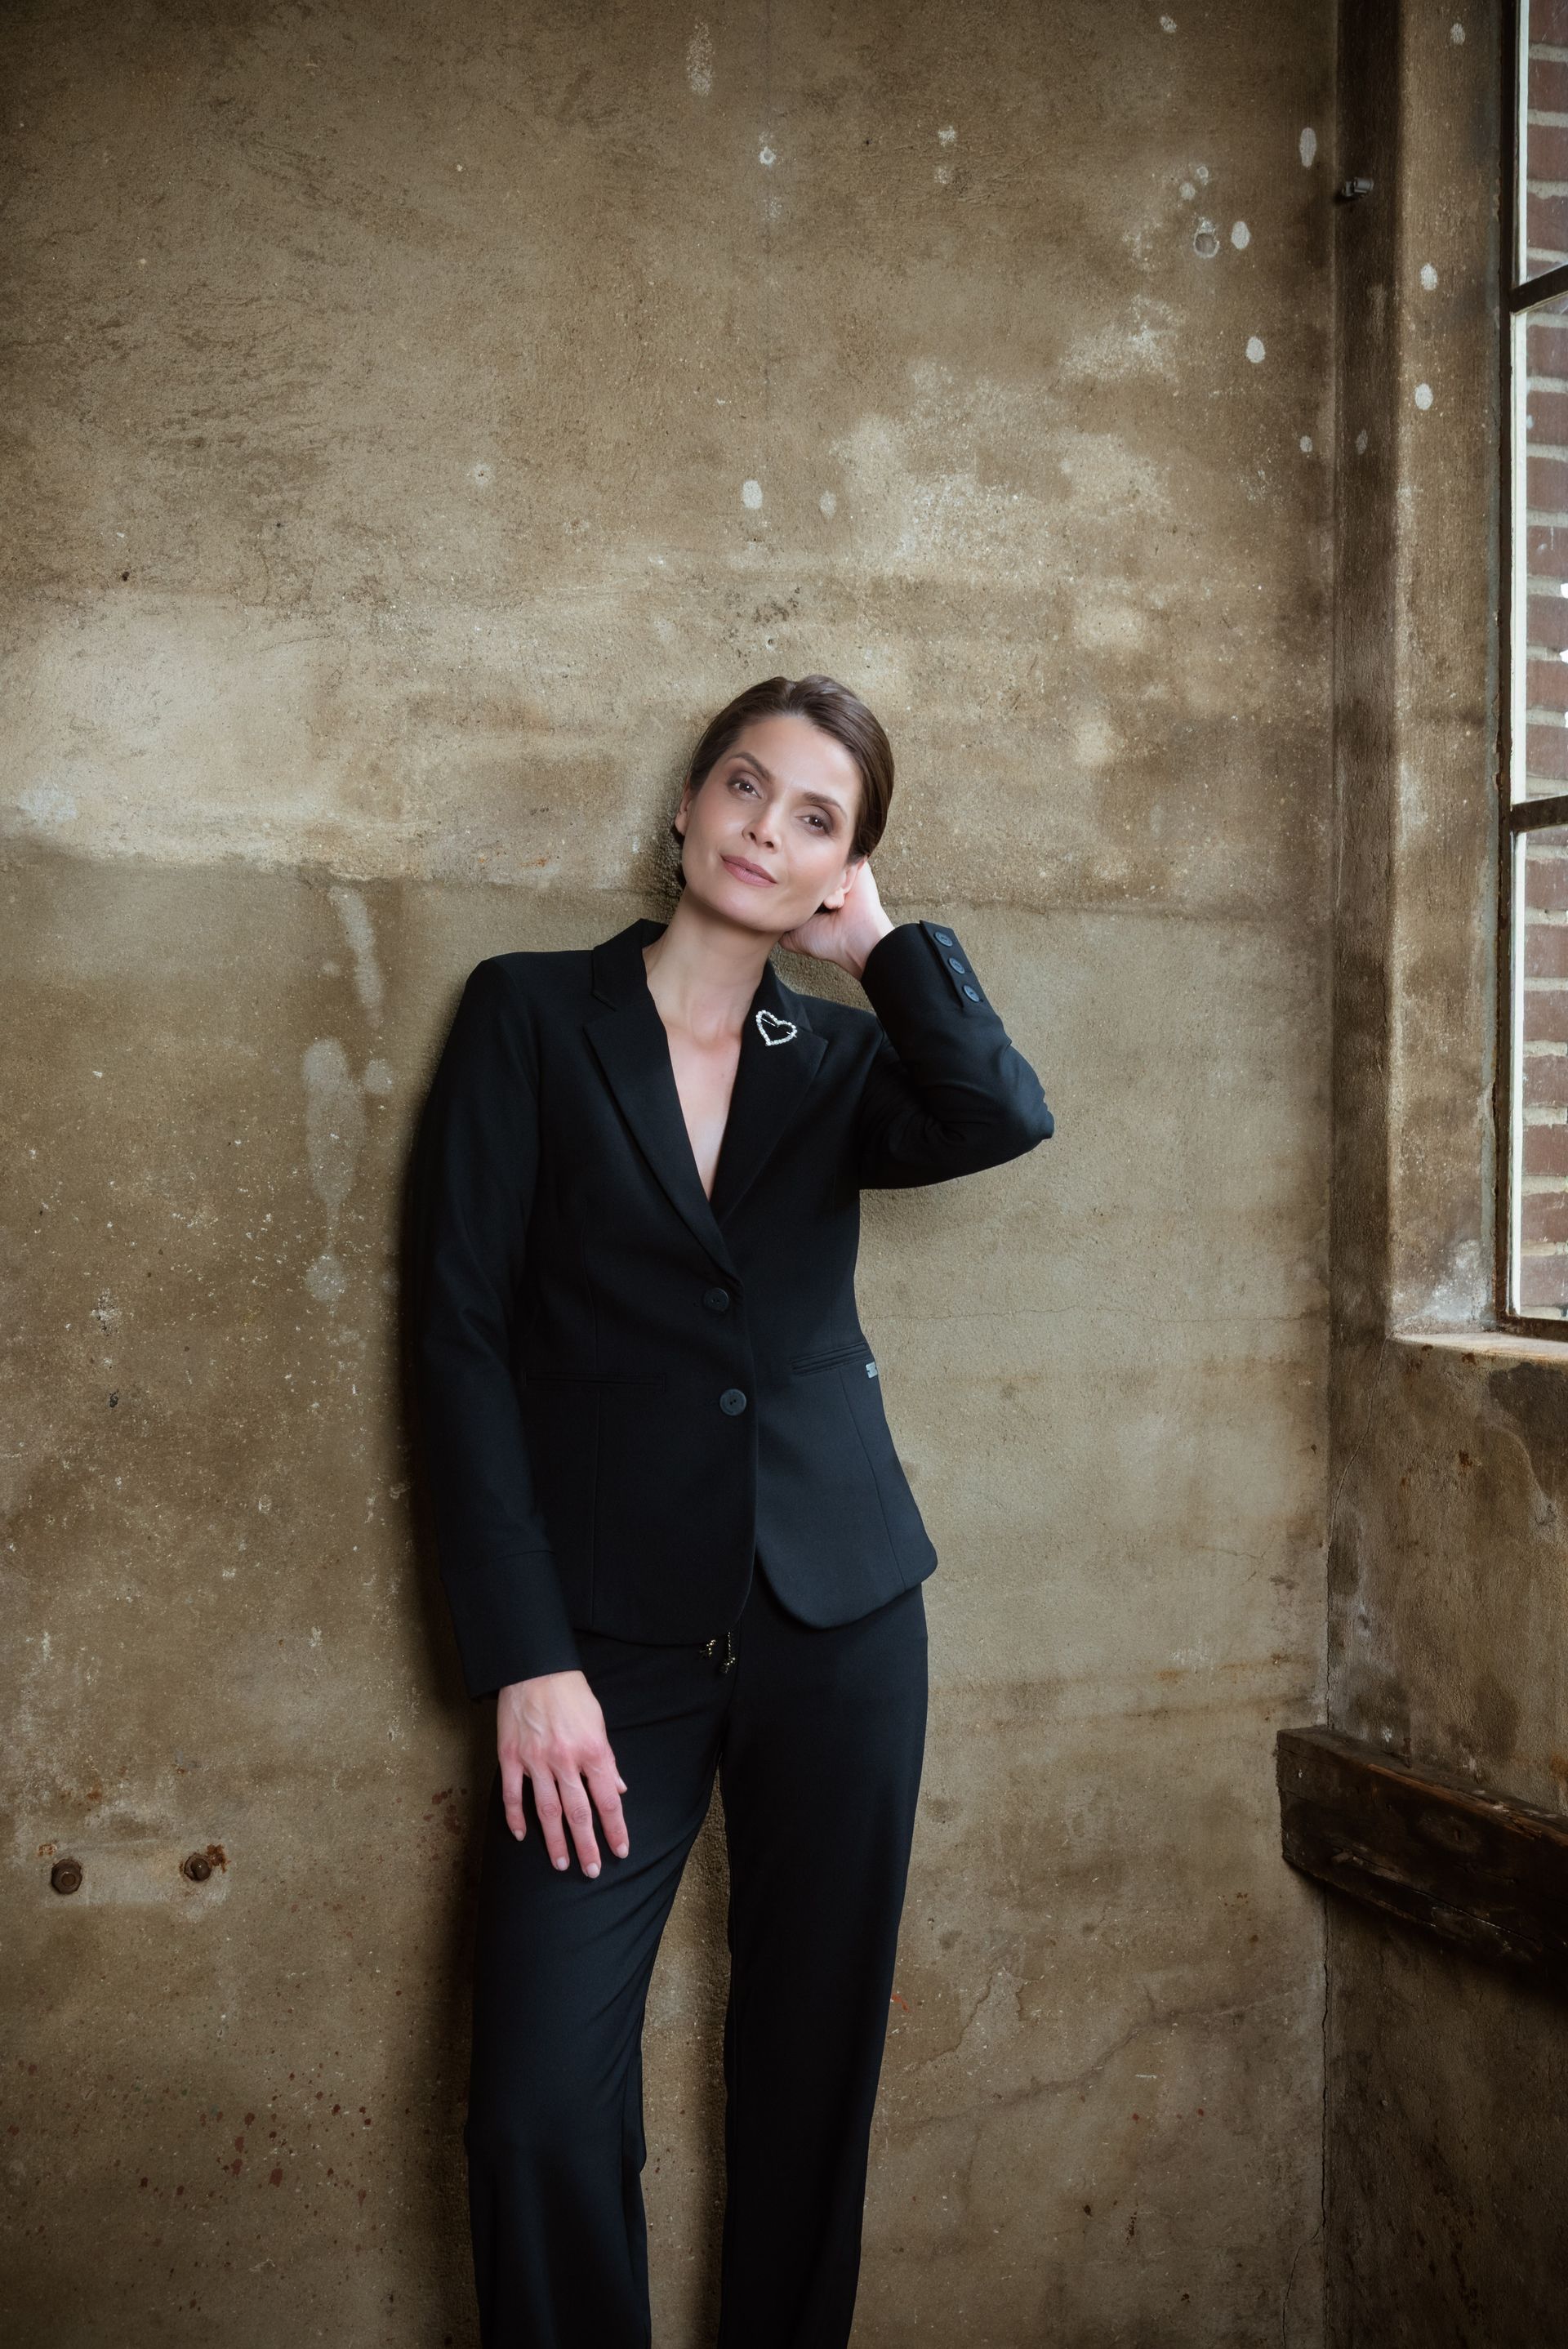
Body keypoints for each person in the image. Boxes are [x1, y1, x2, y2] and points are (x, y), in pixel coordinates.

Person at [408, 673, 1054, 2348]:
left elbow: (999, 1109)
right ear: (689, 804)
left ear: (845, 863)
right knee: (537, 2105)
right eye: (748, 787)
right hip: (604, 1644)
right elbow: (458, 1342)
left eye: (817, 818)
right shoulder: (529, 1015)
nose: (768, 831)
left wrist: (880, 947)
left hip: (840, 1620)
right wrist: (524, 1654)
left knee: (811, 2077)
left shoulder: (836, 1059)